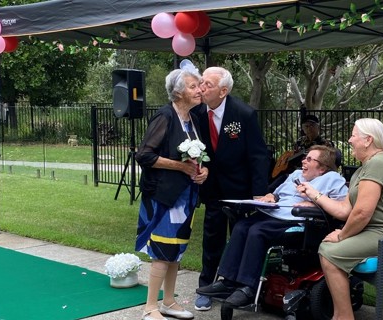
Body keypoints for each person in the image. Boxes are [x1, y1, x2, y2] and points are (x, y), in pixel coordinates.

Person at [297, 118, 383, 320]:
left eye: (354, 135)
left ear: (368, 140)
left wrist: (342, 235)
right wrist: (314, 194)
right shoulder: (363, 169)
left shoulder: (378, 164)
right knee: (329, 247)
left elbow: (362, 213)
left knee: (329, 251)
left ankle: (343, 317)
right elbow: (345, 210)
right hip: (379, 234)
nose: (350, 140)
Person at [195, 146, 347, 307]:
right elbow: (276, 193)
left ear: (322, 168)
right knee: (241, 226)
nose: (303, 161)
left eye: (309, 159)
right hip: (274, 213)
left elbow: (341, 207)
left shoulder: (333, 179)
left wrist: (315, 204)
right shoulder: (296, 175)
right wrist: (269, 196)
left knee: (257, 232)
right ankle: (227, 282)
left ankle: (248, 287)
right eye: (305, 157)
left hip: (295, 220)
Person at [134, 63, 209, 320]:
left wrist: (202, 171)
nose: (200, 90)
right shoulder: (165, 116)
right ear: (178, 93)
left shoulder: (194, 118)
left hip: (186, 197)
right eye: (193, 86)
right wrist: (181, 167)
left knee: (176, 251)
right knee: (162, 251)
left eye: (198, 86)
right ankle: (150, 308)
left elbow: (198, 157)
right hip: (163, 196)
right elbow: (144, 155)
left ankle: (168, 302)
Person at [195, 66, 270, 311]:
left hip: (239, 188)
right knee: (212, 236)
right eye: (201, 82)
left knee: (239, 235)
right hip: (212, 187)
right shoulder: (196, 113)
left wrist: (259, 192)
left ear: (223, 90)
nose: (202, 88)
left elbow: (258, 155)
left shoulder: (243, 114)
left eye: (208, 84)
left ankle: (236, 286)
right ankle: (206, 284)